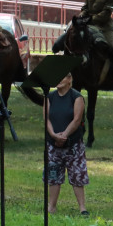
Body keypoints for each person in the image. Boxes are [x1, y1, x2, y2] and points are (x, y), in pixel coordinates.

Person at [45, 73, 89, 216]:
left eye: (62, 77)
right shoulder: (50, 97)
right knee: (54, 174)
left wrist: (64, 135)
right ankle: (51, 206)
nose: (58, 80)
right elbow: (46, 119)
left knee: (77, 174)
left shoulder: (76, 97)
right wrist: (53, 135)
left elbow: (77, 120)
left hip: (73, 143)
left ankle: (82, 208)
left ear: (69, 79)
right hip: (53, 143)